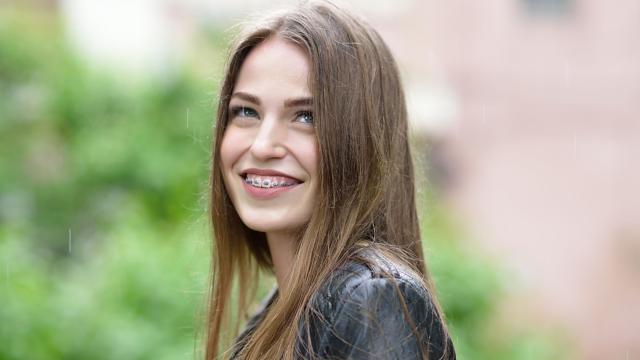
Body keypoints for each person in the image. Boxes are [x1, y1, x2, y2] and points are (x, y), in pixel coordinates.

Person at [205, 1, 456, 359]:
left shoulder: (371, 305)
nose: (262, 145)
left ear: (365, 143)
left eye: (306, 117)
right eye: (247, 111)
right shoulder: (279, 311)